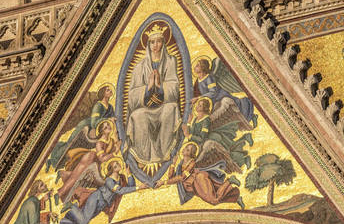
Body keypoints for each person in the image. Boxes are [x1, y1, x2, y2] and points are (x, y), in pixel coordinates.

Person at [125, 23, 181, 167]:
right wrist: (148, 88)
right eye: (152, 42)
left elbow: (174, 88)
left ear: (163, 43)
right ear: (148, 45)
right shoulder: (139, 67)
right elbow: (131, 98)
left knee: (170, 109)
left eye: (159, 41)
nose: (155, 45)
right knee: (138, 116)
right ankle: (143, 157)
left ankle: (164, 153)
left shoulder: (170, 61)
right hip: (146, 108)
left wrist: (160, 86)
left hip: (163, 105)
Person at [53, 159, 140, 224]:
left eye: (118, 164)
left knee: (78, 223)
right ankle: (71, 206)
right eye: (115, 165)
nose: (118, 166)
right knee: (83, 222)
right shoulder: (109, 180)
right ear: (112, 170)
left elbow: (129, 187)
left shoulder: (121, 178)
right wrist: (139, 187)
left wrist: (129, 175)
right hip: (96, 199)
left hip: (101, 205)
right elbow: (119, 190)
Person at [157, 141, 244, 208]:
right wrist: (173, 164)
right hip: (195, 187)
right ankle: (236, 198)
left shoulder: (192, 163)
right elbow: (171, 177)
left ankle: (230, 180)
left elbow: (182, 178)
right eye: (185, 148)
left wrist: (163, 182)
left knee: (214, 200)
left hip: (198, 179)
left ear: (192, 154)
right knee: (216, 193)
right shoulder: (180, 165)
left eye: (188, 149)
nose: (184, 149)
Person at [47, 84, 114, 170]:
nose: (110, 91)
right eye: (107, 90)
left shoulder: (110, 107)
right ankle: (56, 158)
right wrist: (107, 120)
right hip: (86, 126)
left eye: (110, 90)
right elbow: (94, 122)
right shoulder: (99, 105)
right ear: (103, 93)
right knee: (70, 143)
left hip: (101, 129)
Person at [57, 118, 119, 202]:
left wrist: (112, 122)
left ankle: (64, 177)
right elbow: (102, 158)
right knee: (75, 178)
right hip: (90, 159)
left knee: (74, 176)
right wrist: (114, 153)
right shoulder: (99, 143)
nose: (108, 127)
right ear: (102, 132)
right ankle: (59, 193)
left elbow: (116, 139)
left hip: (96, 164)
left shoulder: (110, 140)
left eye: (108, 125)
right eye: (105, 127)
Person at [191, 57, 256, 128]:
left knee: (221, 110)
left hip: (220, 97)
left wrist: (198, 98)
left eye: (197, 65)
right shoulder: (198, 81)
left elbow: (213, 92)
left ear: (203, 67)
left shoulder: (209, 78)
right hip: (213, 101)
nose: (195, 67)